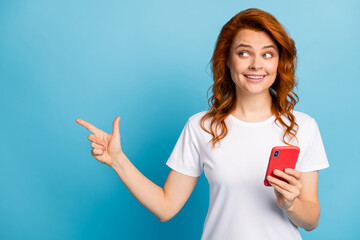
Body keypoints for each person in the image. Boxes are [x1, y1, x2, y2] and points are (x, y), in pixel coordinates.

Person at [76, 8, 329, 240]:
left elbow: (312, 220)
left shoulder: (303, 127)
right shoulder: (201, 127)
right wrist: (119, 161)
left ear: (278, 62)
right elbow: (166, 207)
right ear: (227, 60)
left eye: (267, 54)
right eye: (244, 53)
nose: (256, 64)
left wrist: (291, 204)